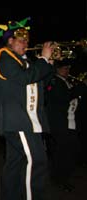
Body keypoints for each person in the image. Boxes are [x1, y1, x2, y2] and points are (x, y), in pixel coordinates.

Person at [0, 18, 55, 200]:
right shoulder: (4, 56)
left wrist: (49, 63)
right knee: (37, 161)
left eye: (27, 40)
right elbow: (25, 78)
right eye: (22, 40)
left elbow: (40, 82)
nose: (26, 44)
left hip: (26, 121)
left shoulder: (24, 62)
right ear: (10, 40)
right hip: (18, 120)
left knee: (15, 164)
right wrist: (43, 59)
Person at [45, 60, 81, 192]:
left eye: (68, 68)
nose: (67, 71)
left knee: (71, 151)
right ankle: (59, 178)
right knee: (62, 152)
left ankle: (64, 176)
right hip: (59, 123)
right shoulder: (54, 82)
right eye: (65, 68)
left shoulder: (68, 82)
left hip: (71, 122)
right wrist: (78, 89)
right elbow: (59, 98)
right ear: (58, 69)